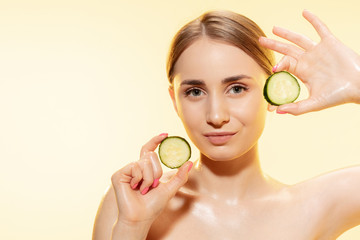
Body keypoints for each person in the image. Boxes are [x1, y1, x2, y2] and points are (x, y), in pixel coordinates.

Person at [92, 9, 360, 240]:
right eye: (195, 92)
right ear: (175, 100)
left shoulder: (318, 204)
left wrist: (357, 80)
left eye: (237, 88)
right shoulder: (129, 201)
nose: (216, 116)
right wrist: (132, 227)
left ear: (271, 88)